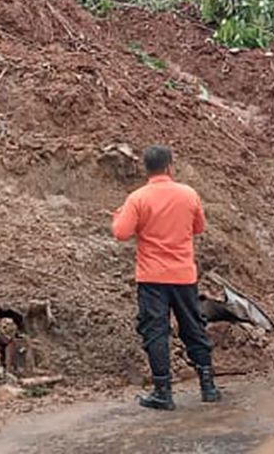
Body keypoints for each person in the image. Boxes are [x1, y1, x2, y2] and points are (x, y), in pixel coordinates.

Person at [111, 144, 218, 411]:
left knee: (155, 331)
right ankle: (208, 386)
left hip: (152, 277)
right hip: (184, 275)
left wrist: (117, 216)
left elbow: (122, 233)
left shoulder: (137, 198)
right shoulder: (189, 194)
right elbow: (199, 227)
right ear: (170, 166)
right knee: (193, 326)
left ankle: (163, 391)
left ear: (146, 168)